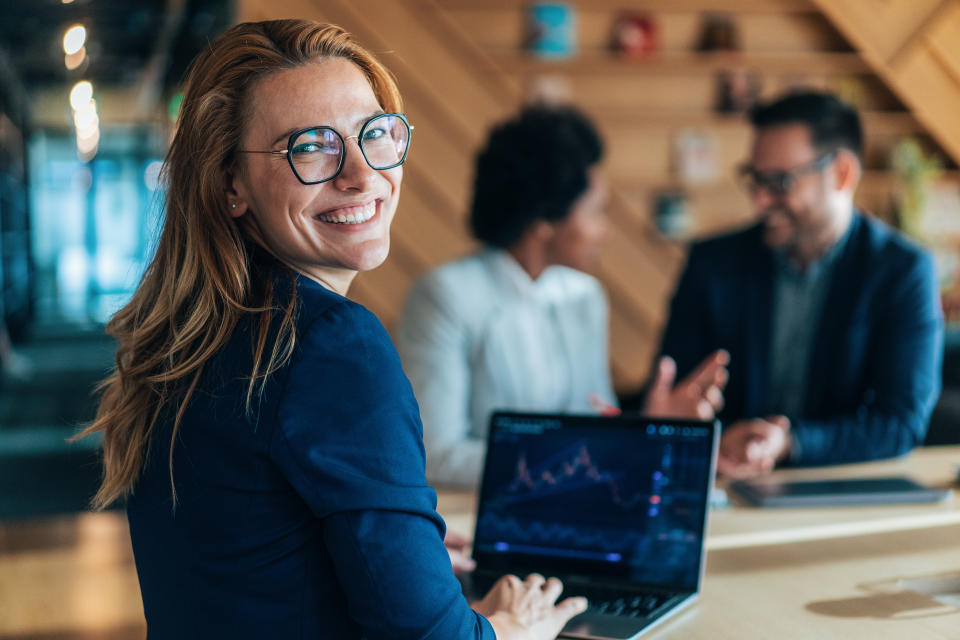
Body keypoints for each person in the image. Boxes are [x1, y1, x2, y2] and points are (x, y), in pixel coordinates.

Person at [76, 20, 589, 640]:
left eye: (375, 134)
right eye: (311, 145)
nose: (363, 175)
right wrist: (514, 626)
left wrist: (402, 546)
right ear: (229, 183)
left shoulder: (196, 336)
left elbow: (254, 551)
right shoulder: (333, 345)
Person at [396, 106, 728, 487]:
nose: (605, 231)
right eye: (595, 212)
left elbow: (594, 420)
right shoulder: (445, 296)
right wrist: (583, 457)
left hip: (573, 508)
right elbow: (436, 456)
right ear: (543, 225)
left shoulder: (585, 296)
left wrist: (647, 430)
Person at [657, 90, 943, 478]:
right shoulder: (712, 265)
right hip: (724, 483)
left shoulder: (903, 272)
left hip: (837, 491)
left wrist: (789, 442)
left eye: (780, 182)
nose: (760, 200)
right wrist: (690, 427)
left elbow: (900, 424)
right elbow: (669, 395)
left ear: (843, 173)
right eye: (755, 180)